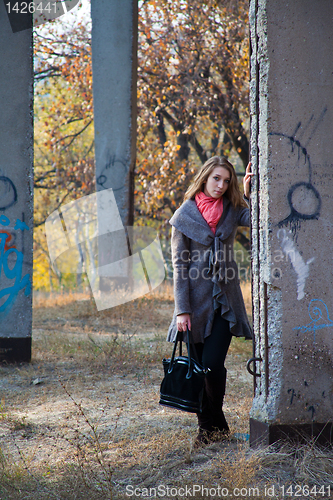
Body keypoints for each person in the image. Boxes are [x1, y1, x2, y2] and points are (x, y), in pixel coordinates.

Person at [167, 155, 253, 446]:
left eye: (226, 180)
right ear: (204, 178)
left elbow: (255, 217)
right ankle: (211, 429)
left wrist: (249, 191)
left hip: (225, 302)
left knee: (213, 364)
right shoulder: (183, 216)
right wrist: (182, 311)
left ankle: (211, 428)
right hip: (194, 305)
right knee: (198, 367)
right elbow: (179, 267)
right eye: (216, 178)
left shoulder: (232, 209)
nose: (220, 185)